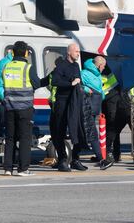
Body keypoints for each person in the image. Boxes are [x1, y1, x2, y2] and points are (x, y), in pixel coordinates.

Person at [2, 41, 40, 176]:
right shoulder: (27, 67)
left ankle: (8, 168)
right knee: (24, 138)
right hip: (24, 107)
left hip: (9, 107)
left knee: (10, 138)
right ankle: (23, 169)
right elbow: (36, 83)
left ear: (12, 52)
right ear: (25, 53)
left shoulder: (6, 67)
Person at [51, 43, 87, 172]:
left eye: (78, 51)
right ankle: (62, 159)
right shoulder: (61, 66)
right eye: (76, 51)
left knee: (78, 130)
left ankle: (76, 159)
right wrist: (70, 83)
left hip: (75, 102)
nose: (78, 53)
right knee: (59, 131)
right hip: (62, 102)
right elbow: (54, 81)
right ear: (69, 52)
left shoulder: (76, 65)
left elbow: (78, 81)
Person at [81, 56, 106, 164]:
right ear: (99, 65)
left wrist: (102, 95)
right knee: (92, 133)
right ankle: (101, 158)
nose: (104, 68)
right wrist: (87, 90)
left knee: (87, 132)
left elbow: (99, 88)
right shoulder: (84, 73)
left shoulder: (97, 74)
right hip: (88, 106)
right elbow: (78, 86)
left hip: (94, 106)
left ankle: (74, 156)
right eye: (104, 66)